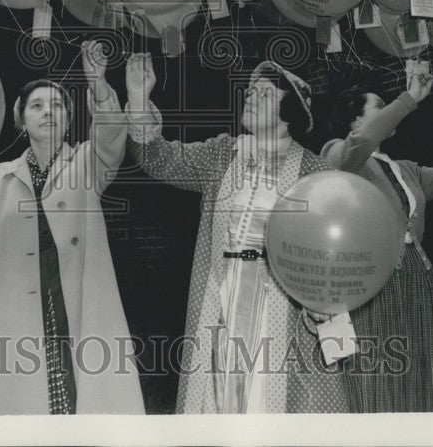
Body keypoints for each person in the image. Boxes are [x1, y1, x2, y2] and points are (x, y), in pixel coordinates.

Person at [125, 55, 349, 414]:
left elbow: (333, 247)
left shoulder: (314, 170)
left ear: (287, 110)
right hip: (223, 298)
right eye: (249, 92)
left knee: (269, 401)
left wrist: (327, 301)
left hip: (282, 305)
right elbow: (160, 160)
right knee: (220, 400)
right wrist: (138, 101)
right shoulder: (222, 153)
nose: (249, 97)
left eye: (263, 94)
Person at [0, 41, 144, 415]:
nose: (48, 112)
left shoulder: (88, 163)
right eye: (37, 106)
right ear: (20, 119)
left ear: (70, 118)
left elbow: (112, 140)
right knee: (28, 412)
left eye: (57, 105)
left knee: (86, 402)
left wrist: (99, 84)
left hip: (78, 304)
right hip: (22, 313)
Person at [320, 76, 433, 412]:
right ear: (355, 120)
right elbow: (360, 143)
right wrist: (409, 99)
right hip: (371, 279)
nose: (388, 110)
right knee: (380, 366)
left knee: (424, 366)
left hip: (417, 278)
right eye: (379, 106)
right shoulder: (338, 155)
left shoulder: (406, 170)